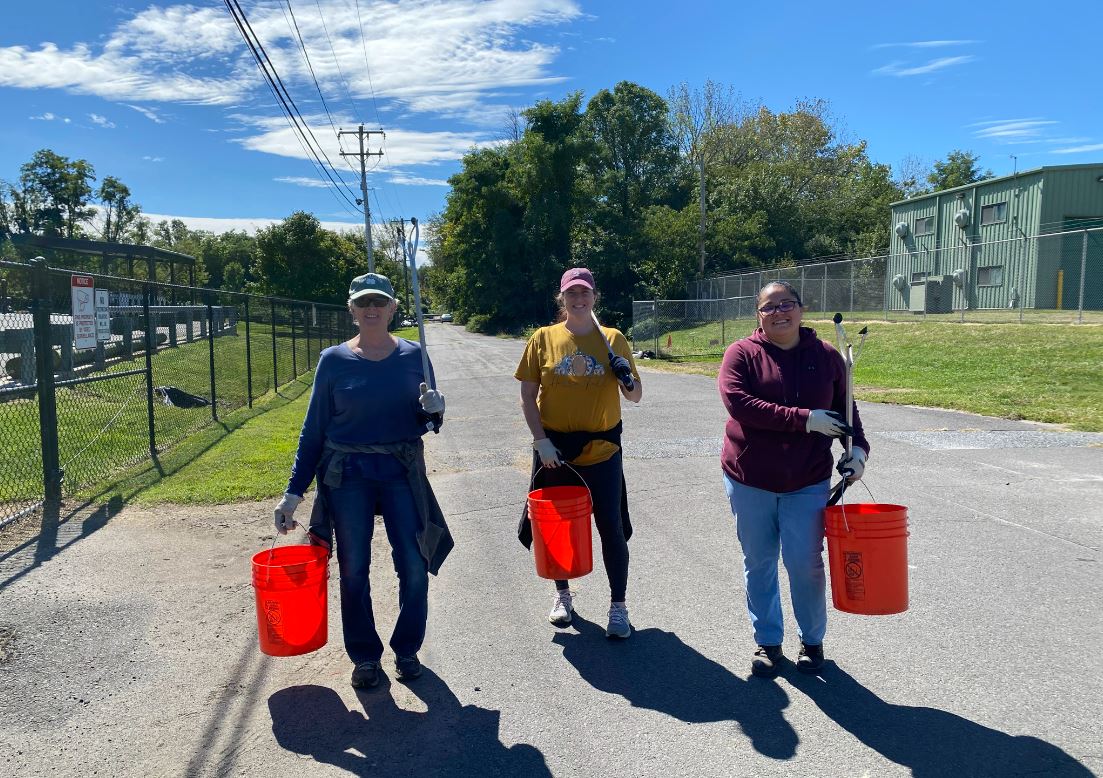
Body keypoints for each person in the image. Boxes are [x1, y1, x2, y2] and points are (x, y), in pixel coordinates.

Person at [272, 272, 453, 690]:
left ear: (392, 308)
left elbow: (426, 421)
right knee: (354, 567)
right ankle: (365, 656)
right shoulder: (333, 360)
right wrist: (292, 494)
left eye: (380, 302)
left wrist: (434, 410)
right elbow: (313, 430)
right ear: (351, 310)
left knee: (413, 561)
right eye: (363, 302)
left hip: (400, 471)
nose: (372, 309)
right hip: (348, 474)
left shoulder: (415, 356)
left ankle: (407, 649)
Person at [718, 280, 869, 677]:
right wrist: (805, 420)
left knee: (805, 562)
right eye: (770, 306)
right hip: (750, 477)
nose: (780, 311)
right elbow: (740, 404)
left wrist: (857, 451)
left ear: (801, 310)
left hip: (807, 478)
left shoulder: (827, 356)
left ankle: (812, 641)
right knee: (760, 561)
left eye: (788, 304)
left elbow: (845, 408)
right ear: (758, 315)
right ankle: (768, 642)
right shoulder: (742, 354)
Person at [515, 267, 642, 639]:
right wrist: (540, 441)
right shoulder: (543, 338)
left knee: (611, 528)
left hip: (603, 449)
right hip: (555, 451)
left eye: (584, 292)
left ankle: (618, 607)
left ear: (594, 297)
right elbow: (526, 395)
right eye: (572, 294)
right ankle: (563, 596)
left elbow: (635, 397)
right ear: (562, 298)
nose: (579, 299)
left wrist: (626, 378)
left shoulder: (613, 339)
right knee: (558, 529)